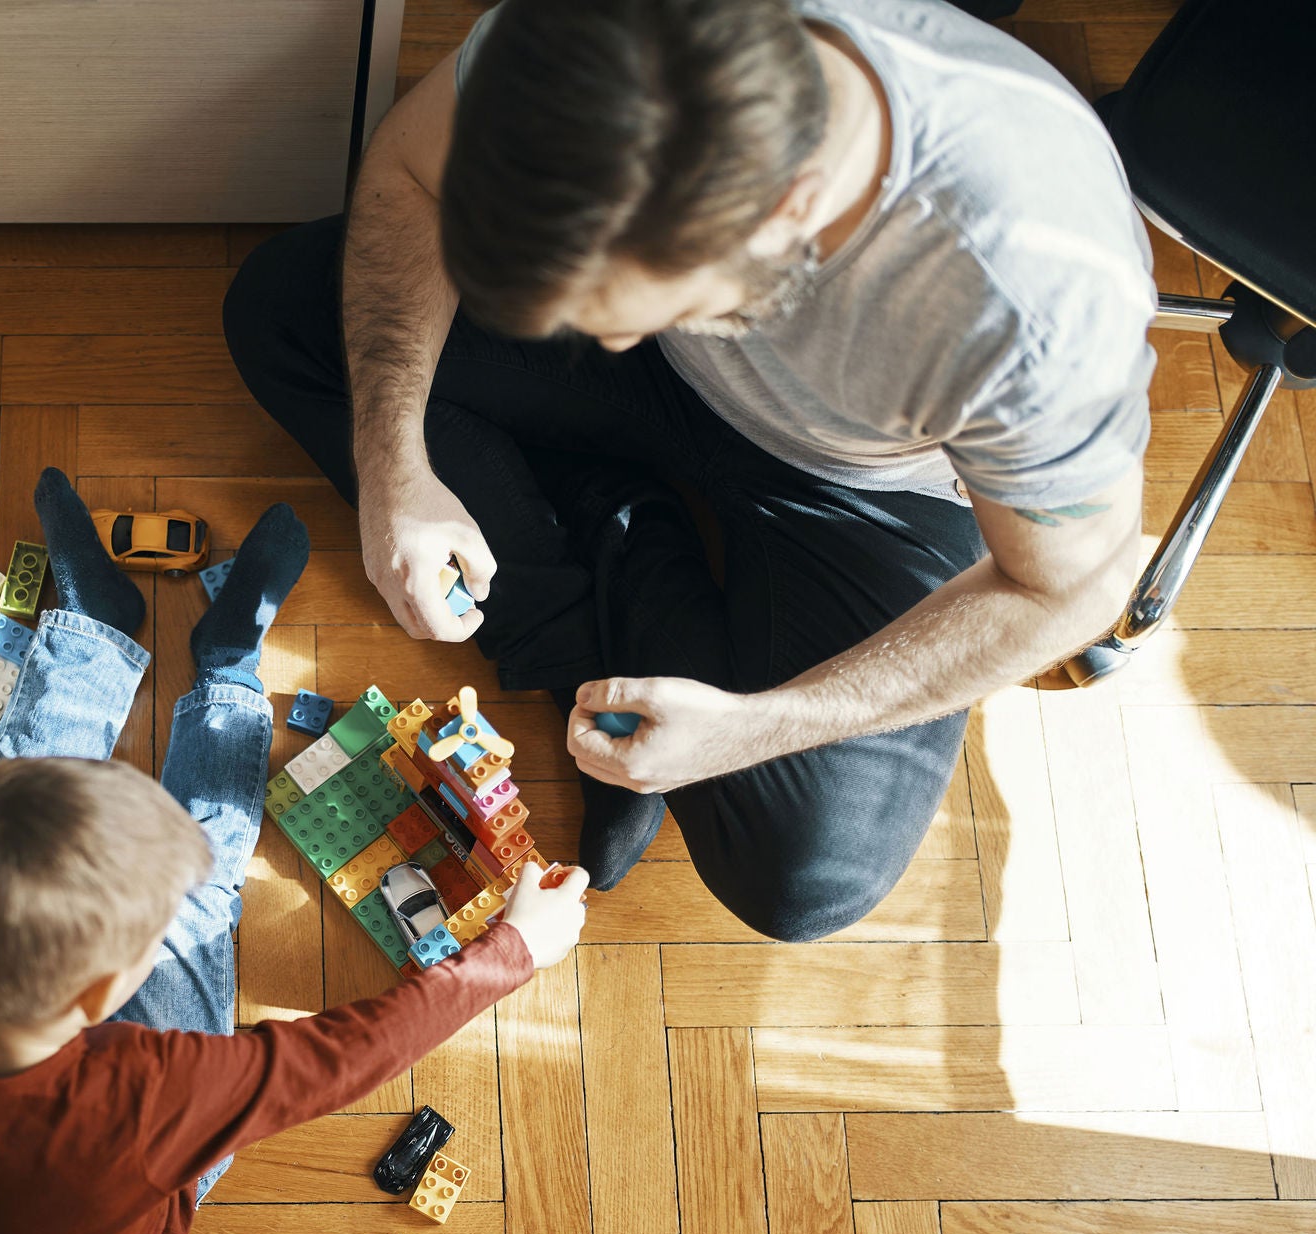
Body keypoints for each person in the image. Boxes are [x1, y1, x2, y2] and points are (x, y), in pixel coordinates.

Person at [224, 0, 1156, 941]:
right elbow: (410, 174)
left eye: (644, 300)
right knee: (282, 308)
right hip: (667, 386)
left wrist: (755, 728)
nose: (611, 331)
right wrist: (394, 464)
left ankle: (600, 512)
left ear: (792, 207)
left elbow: (1072, 586)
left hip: (864, 488)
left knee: (805, 876)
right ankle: (583, 634)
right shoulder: (588, 40)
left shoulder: (1032, 302)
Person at [0, 469, 592, 1234]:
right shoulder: (155, 1094)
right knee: (198, 894)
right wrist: (517, 947)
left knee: (12, 806)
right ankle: (229, 669)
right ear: (102, 998)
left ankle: (95, 628)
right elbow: (353, 1054)